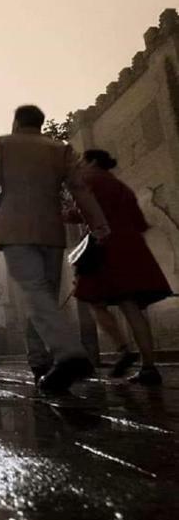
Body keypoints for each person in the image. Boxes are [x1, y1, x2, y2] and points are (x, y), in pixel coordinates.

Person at [0, 104, 110, 394]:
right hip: (52, 230)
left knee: (36, 295)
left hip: (16, 231)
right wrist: (99, 224)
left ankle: (69, 355)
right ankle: (42, 362)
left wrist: (3, 209)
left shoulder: (1, 144)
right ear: (40, 124)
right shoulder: (60, 148)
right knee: (44, 298)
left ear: (16, 122)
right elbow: (80, 189)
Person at [70, 149, 172, 385]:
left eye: (82, 161)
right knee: (131, 307)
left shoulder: (88, 180)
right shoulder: (122, 187)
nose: (79, 166)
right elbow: (140, 223)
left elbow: (83, 210)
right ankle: (149, 367)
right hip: (131, 248)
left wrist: (67, 214)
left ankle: (123, 347)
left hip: (105, 247)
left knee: (92, 300)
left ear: (92, 161)